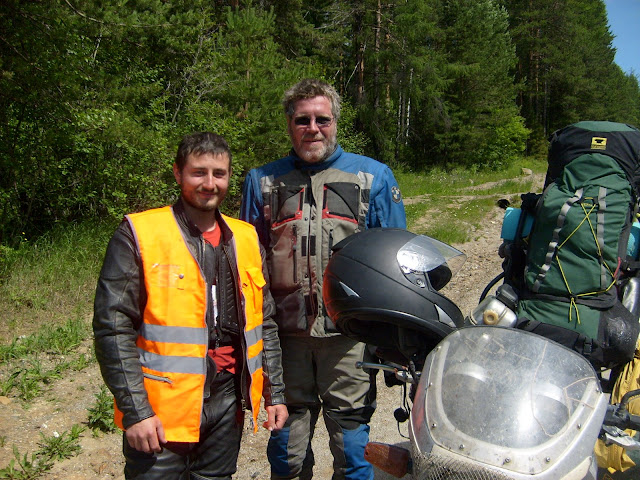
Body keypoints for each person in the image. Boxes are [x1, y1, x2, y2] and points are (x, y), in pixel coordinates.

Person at [93, 132, 288, 480]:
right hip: (161, 409)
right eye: (199, 172)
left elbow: (265, 323)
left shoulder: (245, 237)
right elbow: (113, 327)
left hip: (227, 403)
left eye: (219, 173)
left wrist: (275, 393)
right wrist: (136, 412)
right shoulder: (140, 233)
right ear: (177, 173)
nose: (209, 183)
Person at [240, 79, 406, 480]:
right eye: (302, 120)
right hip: (284, 340)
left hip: (348, 337)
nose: (312, 128)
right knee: (286, 453)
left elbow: (395, 264)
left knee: (353, 451)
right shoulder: (262, 180)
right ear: (289, 124)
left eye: (322, 119)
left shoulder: (374, 176)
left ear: (335, 122)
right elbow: (246, 264)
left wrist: (393, 341)